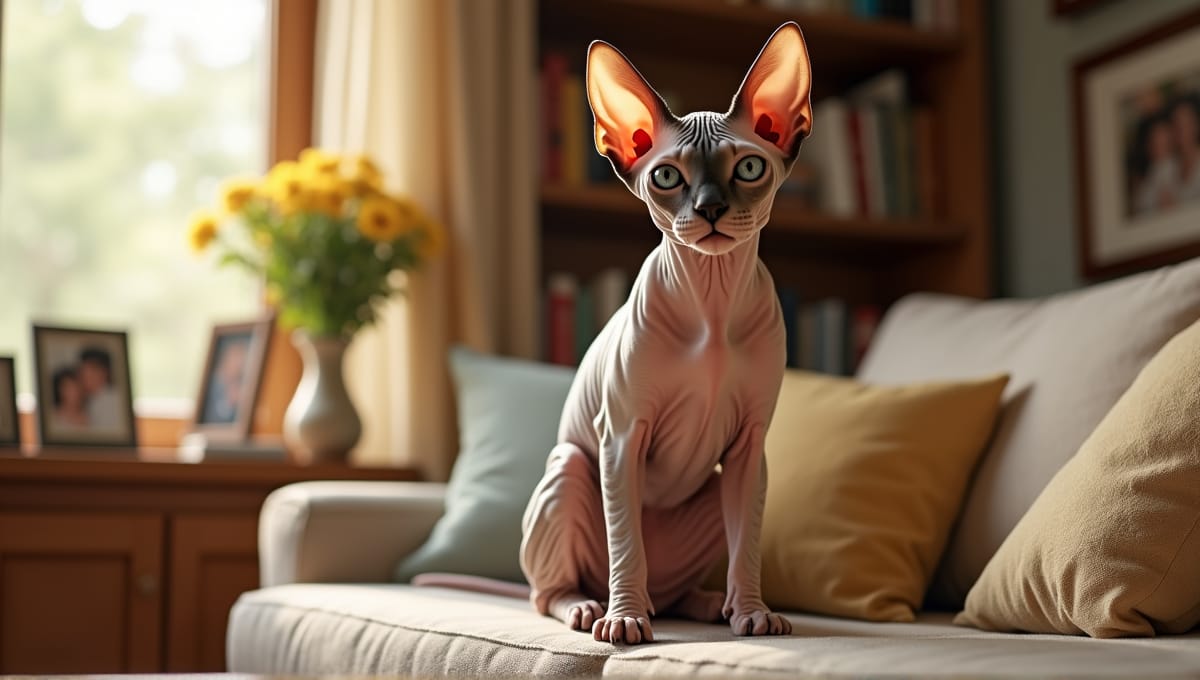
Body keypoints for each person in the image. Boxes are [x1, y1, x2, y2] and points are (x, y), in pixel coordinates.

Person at [1133, 113, 1181, 216]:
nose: (1159, 141)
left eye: (1162, 135)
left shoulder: (1179, 167)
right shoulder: (1144, 181)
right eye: (1154, 137)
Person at [78, 346, 121, 431]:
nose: (83, 376)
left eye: (89, 372)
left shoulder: (110, 401)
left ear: (104, 372)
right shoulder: (91, 399)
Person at [1170, 94, 1200, 203]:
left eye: (1186, 124)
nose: (1181, 131)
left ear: (1196, 125)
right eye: (1177, 124)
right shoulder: (1166, 168)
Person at [50, 367, 89, 432]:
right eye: (69, 388)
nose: (75, 392)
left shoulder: (89, 414)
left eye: (77, 386)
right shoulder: (53, 418)